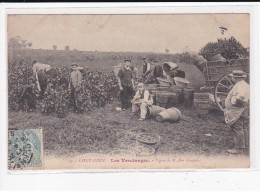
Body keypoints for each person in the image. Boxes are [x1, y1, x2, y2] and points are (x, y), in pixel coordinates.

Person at [224, 70, 250, 154]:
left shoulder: (240, 86)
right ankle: (245, 145)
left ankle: (239, 148)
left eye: (232, 77)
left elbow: (240, 96)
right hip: (242, 109)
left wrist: (233, 102)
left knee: (237, 128)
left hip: (237, 111)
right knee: (243, 127)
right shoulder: (243, 84)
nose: (231, 78)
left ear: (236, 78)